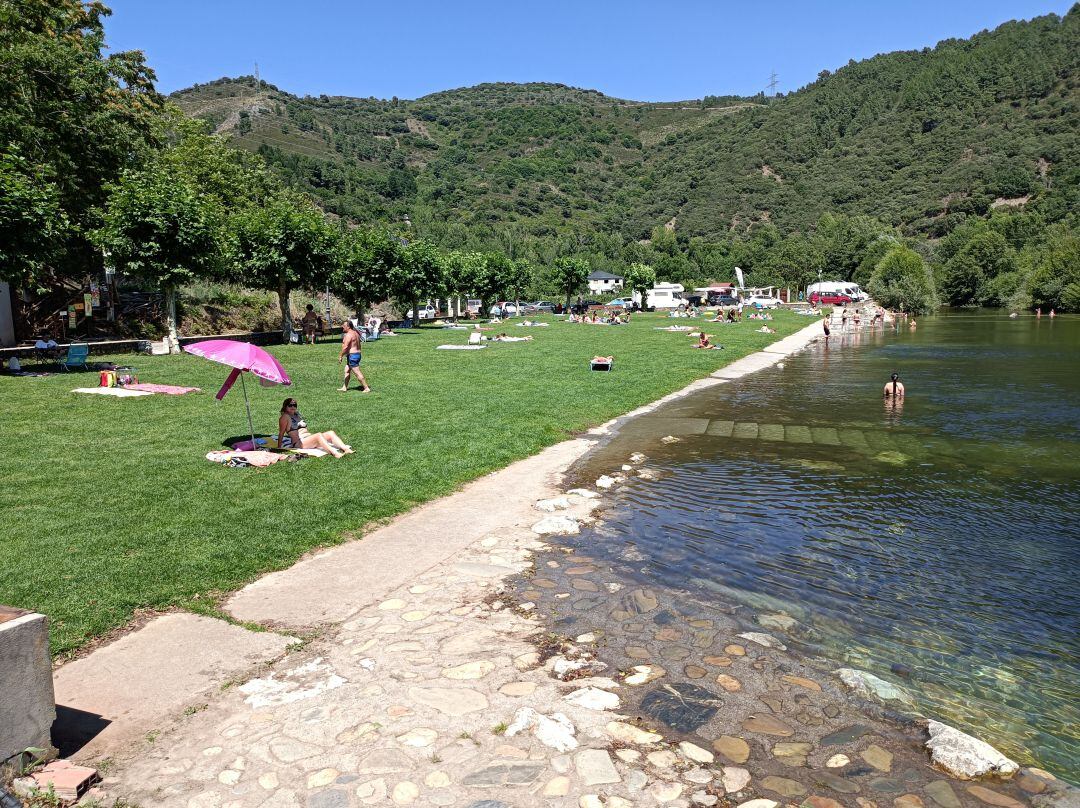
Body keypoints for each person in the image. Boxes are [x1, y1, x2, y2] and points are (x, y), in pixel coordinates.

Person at [277, 398, 353, 458]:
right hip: (299, 443)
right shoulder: (285, 417)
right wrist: (279, 447)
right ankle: (335, 453)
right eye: (290, 405)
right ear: (285, 406)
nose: (293, 407)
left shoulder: (297, 415)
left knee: (331, 433)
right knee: (318, 435)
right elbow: (281, 433)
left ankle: (346, 449)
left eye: (295, 405)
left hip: (308, 438)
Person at [338, 320, 371, 392]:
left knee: (357, 372)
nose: (342, 327)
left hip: (353, 356)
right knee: (347, 370)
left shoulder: (349, 335)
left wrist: (340, 356)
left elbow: (345, 347)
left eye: (344, 325)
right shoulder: (356, 333)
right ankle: (344, 387)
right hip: (356, 355)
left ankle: (366, 388)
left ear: (348, 326)